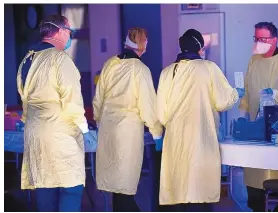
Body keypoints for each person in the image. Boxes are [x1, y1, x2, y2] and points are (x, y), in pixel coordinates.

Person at [157, 29, 244, 212]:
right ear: (199, 48)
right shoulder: (208, 68)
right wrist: (237, 94)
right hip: (201, 140)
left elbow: (162, 115)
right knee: (199, 192)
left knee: (178, 190)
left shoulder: (166, 72)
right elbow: (222, 101)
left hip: (175, 143)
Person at [16, 15, 97, 212]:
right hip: (59, 134)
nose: (70, 36)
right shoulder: (59, 59)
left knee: (45, 187)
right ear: (59, 31)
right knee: (71, 188)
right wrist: (85, 131)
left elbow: (25, 100)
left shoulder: (27, 59)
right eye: (69, 31)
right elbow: (72, 101)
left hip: (35, 133)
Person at [93, 27, 163, 212]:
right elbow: (147, 105)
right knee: (125, 184)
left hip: (108, 129)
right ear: (142, 43)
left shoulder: (110, 64)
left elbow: (98, 98)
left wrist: (99, 121)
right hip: (128, 132)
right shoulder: (140, 69)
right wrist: (157, 133)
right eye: (146, 41)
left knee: (116, 185)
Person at [238, 22, 278, 212]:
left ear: (274, 40)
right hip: (256, 128)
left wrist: (277, 96)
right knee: (256, 176)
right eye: (256, 38)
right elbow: (249, 91)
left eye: (263, 39)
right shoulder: (254, 61)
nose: (259, 42)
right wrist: (244, 114)